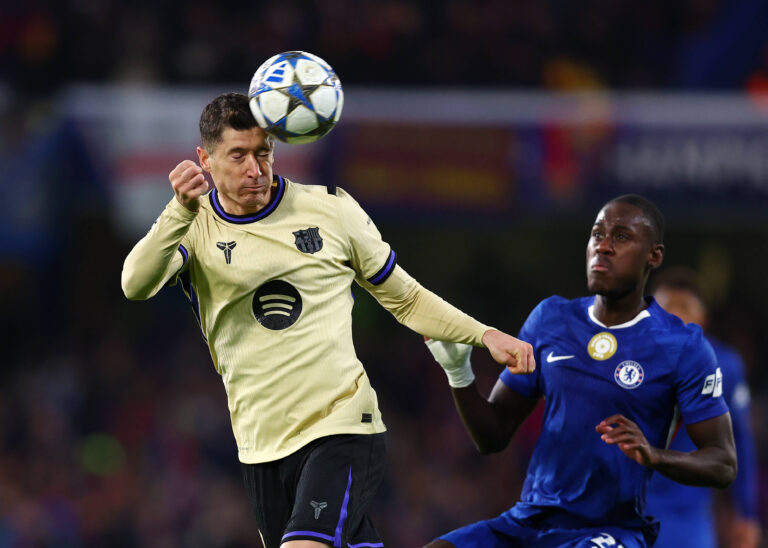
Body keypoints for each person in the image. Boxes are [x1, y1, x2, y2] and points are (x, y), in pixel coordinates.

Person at [120, 92, 534, 548]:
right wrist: (177, 210)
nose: (255, 169)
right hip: (260, 444)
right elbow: (135, 284)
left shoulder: (331, 210)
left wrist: (484, 335)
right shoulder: (193, 226)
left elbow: (406, 298)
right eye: (238, 156)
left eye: (263, 152)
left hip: (341, 426)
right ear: (205, 159)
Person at [424, 194, 737, 548]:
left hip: (611, 530)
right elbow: (492, 435)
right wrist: (457, 370)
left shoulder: (682, 345)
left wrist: (655, 455)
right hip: (529, 522)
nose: (603, 246)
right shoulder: (550, 319)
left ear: (654, 255)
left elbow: (723, 463)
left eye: (621, 237)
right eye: (596, 234)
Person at [647, 267, 761, 548]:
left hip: (689, 516)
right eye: (666, 306)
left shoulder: (726, 365)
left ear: (703, 318)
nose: (674, 315)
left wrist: (746, 512)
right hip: (628, 509)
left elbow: (740, 442)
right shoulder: (624, 363)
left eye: (684, 307)